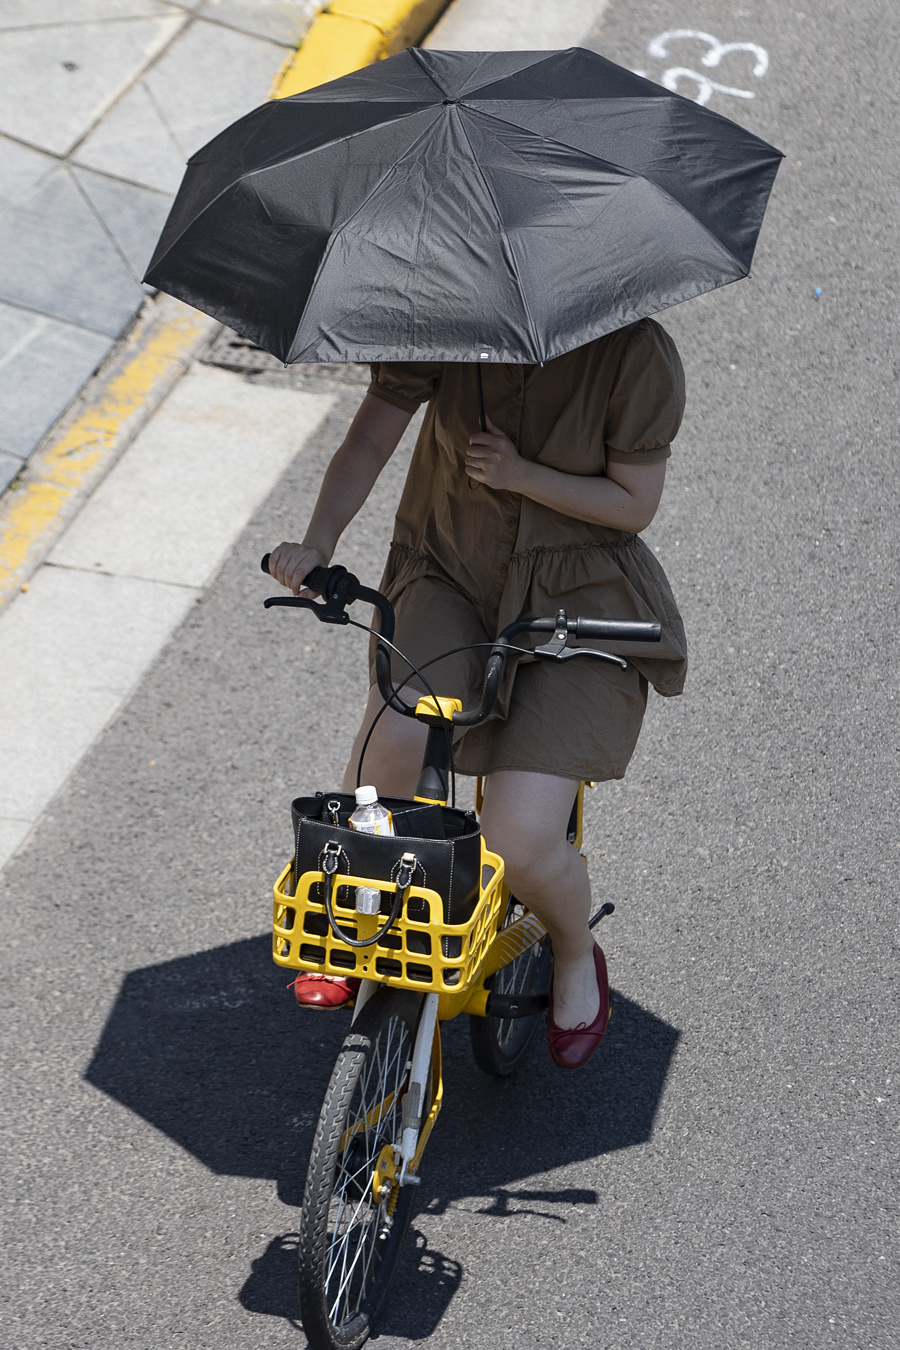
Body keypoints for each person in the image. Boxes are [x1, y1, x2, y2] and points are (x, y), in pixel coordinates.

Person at [269, 317, 687, 1069]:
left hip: (580, 593)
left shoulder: (636, 352)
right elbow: (370, 438)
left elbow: (634, 504)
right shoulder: (449, 316)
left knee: (518, 844)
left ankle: (571, 947)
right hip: (448, 569)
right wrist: (318, 541)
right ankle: (351, 919)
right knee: (392, 747)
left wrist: (523, 474)